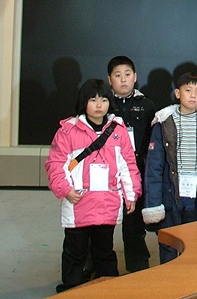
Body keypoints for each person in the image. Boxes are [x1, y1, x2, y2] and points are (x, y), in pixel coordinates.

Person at [45, 79, 141, 293]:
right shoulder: (68, 131)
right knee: (75, 251)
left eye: (104, 100)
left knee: (104, 250)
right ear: (83, 102)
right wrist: (66, 190)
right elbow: (55, 164)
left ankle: (108, 289)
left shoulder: (118, 130)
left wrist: (131, 194)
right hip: (78, 203)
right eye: (93, 100)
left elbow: (128, 164)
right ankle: (71, 289)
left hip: (107, 204)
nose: (99, 105)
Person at [142, 72, 197, 264]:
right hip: (171, 194)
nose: (193, 95)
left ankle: (191, 279)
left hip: (196, 196)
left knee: (195, 244)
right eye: (188, 90)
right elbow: (154, 167)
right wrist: (154, 202)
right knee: (169, 243)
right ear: (178, 93)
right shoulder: (164, 122)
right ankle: (169, 279)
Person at [107, 56, 156, 273]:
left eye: (127, 75)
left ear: (135, 77)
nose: (123, 80)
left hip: (136, 171)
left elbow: (153, 140)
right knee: (102, 223)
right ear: (110, 79)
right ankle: (101, 267)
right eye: (118, 75)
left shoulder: (147, 105)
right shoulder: (103, 103)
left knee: (134, 224)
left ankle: (138, 267)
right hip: (108, 172)